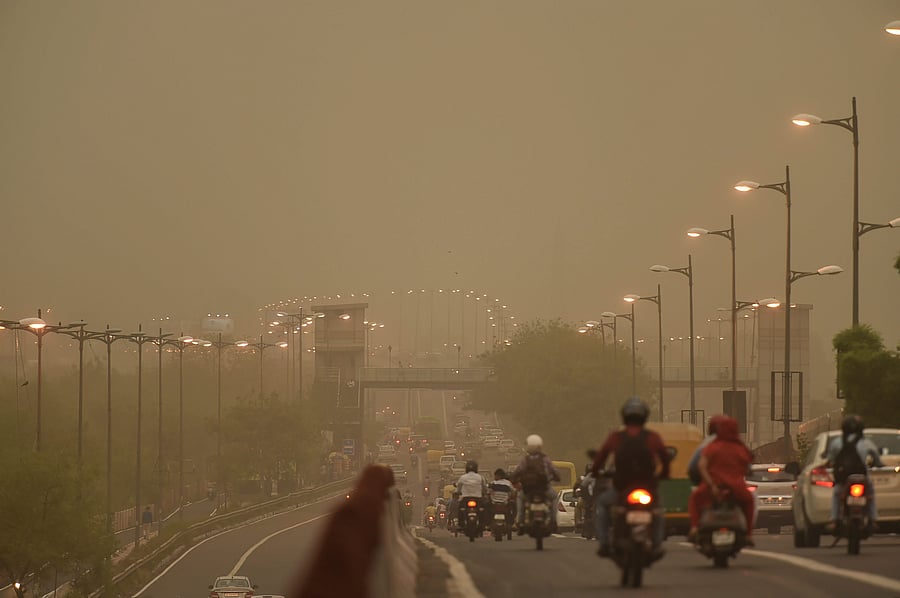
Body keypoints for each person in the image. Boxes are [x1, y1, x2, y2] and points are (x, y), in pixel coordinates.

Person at [591, 398, 671, 558]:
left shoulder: (616, 437)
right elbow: (665, 459)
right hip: (648, 487)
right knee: (658, 512)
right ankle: (657, 545)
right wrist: (662, 476)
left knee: (602, 504)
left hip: (621, 487)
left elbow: (600, 458)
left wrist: (596, 472)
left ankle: (604, 543)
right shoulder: (652, 438)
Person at [688, 416, 754, 546]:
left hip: (713, 487)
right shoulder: (741, 448)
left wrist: (711, 484)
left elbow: (701, 466)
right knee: (749, 502)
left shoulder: (712, 447)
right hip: (737, 489)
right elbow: (748, 468)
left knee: (695, 498)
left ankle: (695, 527)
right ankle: (748, 534)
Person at [822, 414, 883, 534]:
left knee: (837, 494)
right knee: (870, 494)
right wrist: (879, 464)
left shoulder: (837, 442)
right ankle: (873, 519)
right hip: (862, 477)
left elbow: (829, 459)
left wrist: (828, 464)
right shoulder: (866, 443)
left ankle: (834, 520)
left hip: (844, 479)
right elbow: (877, 459)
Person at [512, 434, 561, 533]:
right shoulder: (545, 459)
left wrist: (513, 479)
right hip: (544, 489)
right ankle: (553, 521)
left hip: (528, 490)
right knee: (555, 498)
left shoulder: (525, 460)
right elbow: (554, 471)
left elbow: (517, 471)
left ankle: (519, 522)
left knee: (520, 498)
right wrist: (557, 477)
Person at [456, 460, 488, 529]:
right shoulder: (480, 477)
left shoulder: (463, 477)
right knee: (483, 509)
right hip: (478, 498)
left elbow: (458, 488)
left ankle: (460, 523)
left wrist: (457, 492)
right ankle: (483, 523)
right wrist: (485, 493)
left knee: (460, 509)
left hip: (465, 498)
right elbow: (484, 488)